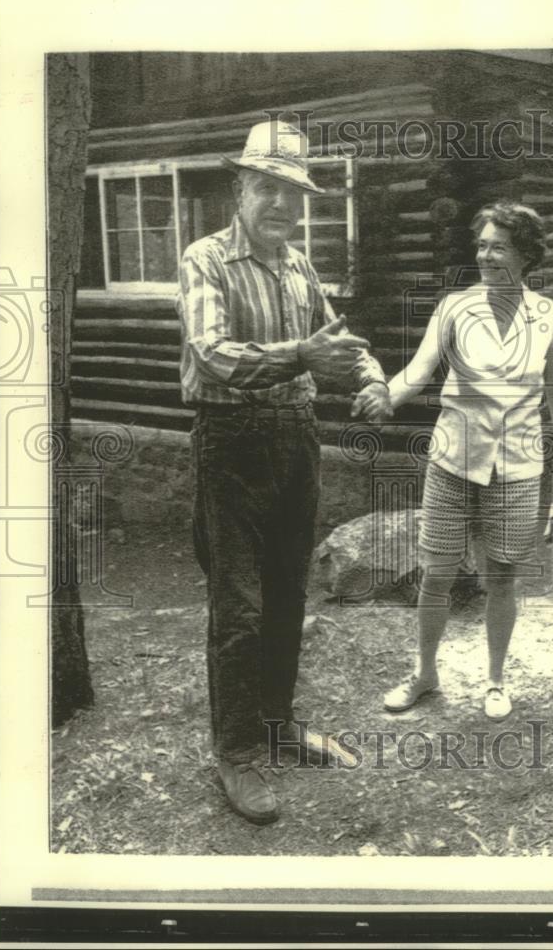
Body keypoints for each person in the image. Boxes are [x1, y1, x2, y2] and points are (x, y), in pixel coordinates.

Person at [177, 120, 390, 824]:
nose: (278, 204)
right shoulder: (205, 260)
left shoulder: (299, 267)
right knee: (237, 608)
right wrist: (302, 357)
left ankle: (276, 724)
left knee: (286, 595)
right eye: (265, 188)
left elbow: (338, 341)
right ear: (240, 189)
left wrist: (372, 378)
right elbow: (212, 354)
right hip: (231, 443)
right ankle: (236, 753)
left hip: (295, 440)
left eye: (289, 193)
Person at [357, 200, 553, 721]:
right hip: (453, 459)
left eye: (498, 246)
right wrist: (385, 396)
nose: (485, 255)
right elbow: (419, 370)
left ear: (525, 255)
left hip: (518, 468)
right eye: (481, 245)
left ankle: (496, 681)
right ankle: (425, 674)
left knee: (501, 577)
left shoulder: (547, 317)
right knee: (436, 573)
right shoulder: (455, 307)